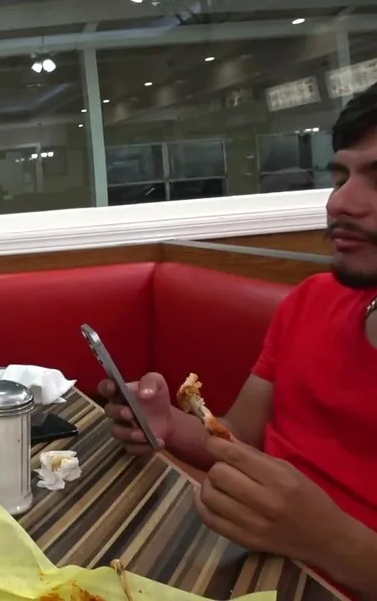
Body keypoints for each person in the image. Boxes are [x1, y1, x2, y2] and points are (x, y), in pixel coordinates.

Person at [101, 84, 377, 599]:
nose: (339, 201)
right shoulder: (313, 299)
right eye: (340, 177)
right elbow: (240, 435)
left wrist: (331, 541)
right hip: (253, 565)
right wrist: (167, 424)